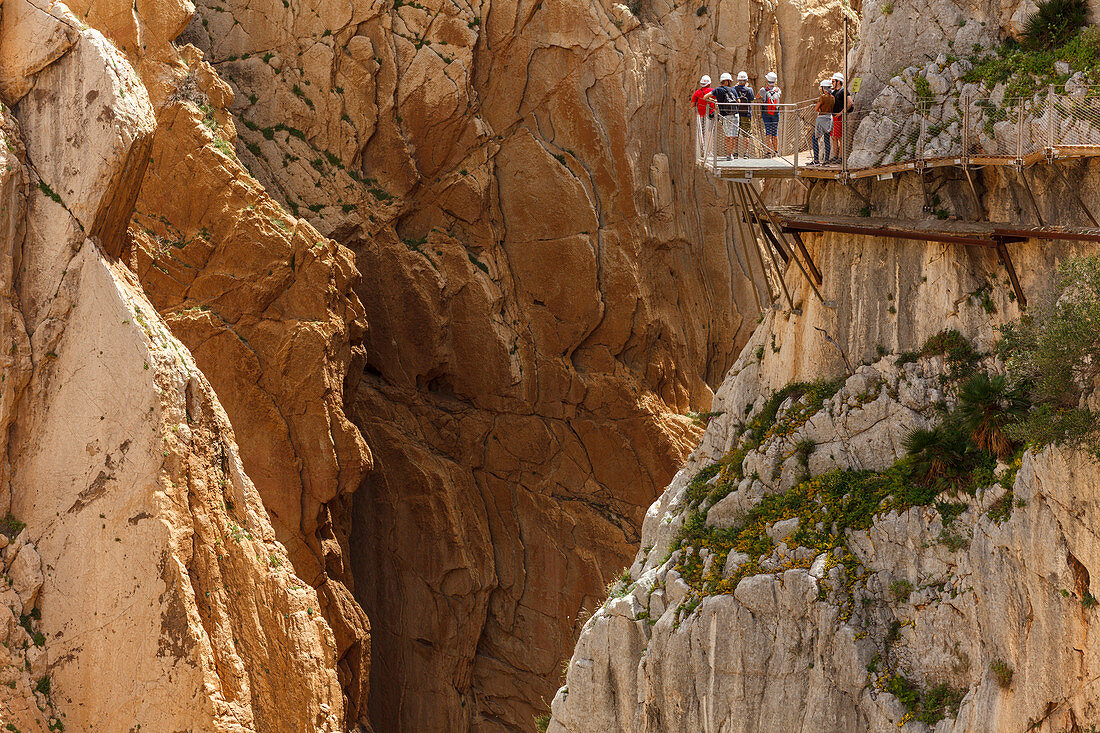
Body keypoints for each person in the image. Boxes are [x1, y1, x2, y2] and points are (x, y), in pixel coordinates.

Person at [703, 73, 739, 160]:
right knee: (734, 135)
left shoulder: (718, 90)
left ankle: (728, 154)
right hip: (735, 114)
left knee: (727, 136)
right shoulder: (733, 90)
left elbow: (705, 97)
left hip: (725, 115)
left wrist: (713, 100)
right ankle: (734, 154)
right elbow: (738, 100)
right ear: (728, 81)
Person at [829, 72, 853, 165]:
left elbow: (850, 102)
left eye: (833, 81)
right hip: (834, 117)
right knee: (834, 137)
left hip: (839, 117)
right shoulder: (834, 91)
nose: (832, 83)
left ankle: (841, 158)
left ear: (838, 81)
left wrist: (841, 113)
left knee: (839, 138)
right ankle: (836, 156)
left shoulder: (843, 91)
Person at [811, 79, 834, 165]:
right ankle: (826, 160)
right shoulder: (832, 98)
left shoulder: (822, 97)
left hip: (821, 119)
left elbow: (816, 109)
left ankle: (816, 160)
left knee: (815, 138)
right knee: (827, 139)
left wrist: (820, 108)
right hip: (829, 118)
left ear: (824, 88)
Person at [691, 75, 714, 158]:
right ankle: (709, 151)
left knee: (702, 132)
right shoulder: (712, 91)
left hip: (701, 115)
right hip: (710, 115)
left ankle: (702, 148)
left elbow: (692, 105)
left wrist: (699, 103)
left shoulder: (697, 92)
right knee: (710, 133)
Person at [733, 71, 755, 157]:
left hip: (736, 113)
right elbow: (752, 98)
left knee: (735, 133)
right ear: (746, 80)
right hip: (746, 114)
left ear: (738, 80)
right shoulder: (749, 90)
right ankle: (746, 153)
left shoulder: (734, 89)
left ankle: (735, 152)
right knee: (746, 134)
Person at [758, 71, 781, 155]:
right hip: (775, 113)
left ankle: (769, 152)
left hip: (766, 113)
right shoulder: (778, 90)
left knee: (768, 131)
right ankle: (776, 151)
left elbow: (757, 96)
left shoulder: (763, 90)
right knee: (775, 132)